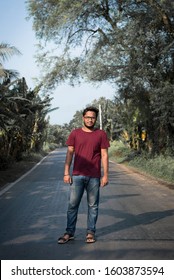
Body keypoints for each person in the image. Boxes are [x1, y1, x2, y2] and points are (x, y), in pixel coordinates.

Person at [58, 106, 110, 244]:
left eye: (92, 117)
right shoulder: (75, 133)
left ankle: (90, 232)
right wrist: (66, 173)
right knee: (72, 205)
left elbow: (104, 155)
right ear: (83, 118)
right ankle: (69, 232)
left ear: (95, 119)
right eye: (87, 117)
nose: (90, 120)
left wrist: (105, 175)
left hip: (94, 176)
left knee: (93, 206)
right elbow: (69, 153)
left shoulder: (101, 134)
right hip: (77, 175)